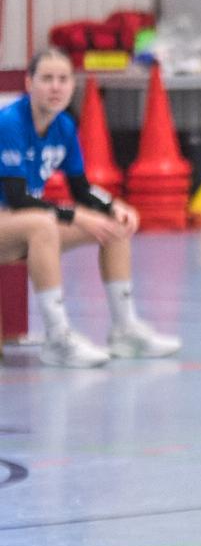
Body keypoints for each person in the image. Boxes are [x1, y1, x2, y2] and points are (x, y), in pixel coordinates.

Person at [0, 48, 180, 367]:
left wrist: (112, 205)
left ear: (73, 85)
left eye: (63, 79)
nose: (56, 87)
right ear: (29, 83)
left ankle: (125, 330)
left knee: (113, 226)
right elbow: (16, 197)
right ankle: (57, 338)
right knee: (42, 225)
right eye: (47, 79)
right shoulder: (10, 122)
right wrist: (74, 214)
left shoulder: (64, 126)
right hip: (11, 221)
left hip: (22, 225)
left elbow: (80, 188)